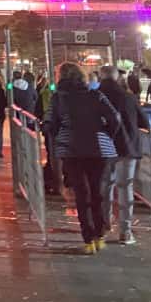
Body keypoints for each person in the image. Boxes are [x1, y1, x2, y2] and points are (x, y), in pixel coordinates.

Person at [44, 61, 124, 254]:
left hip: (72, 149)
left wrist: (59, 137)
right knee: (99, 191)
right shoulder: (95, 95)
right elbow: (115, 118)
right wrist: (106, 135)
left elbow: (49, 123)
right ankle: (100, 234)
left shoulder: (58, 98)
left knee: (82, 193)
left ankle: (88, 239)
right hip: (99, 149)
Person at [98, 64, 147, 245]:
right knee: (125, 187)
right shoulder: (129, 97)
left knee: (105, 186)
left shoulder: (95, 97)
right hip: (126, 147)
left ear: (101, 77)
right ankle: (125, 231)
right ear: (117, 77)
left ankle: (105, 223)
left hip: (103, 148)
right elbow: (143, 121)